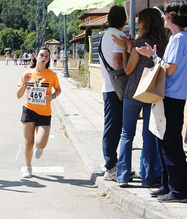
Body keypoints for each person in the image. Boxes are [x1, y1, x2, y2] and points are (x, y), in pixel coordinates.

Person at [136, 0, 187, 202]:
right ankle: (168, 186)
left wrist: (153, 56)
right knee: (164, 141)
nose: (163, 16)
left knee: (169, 144)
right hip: (176, 96)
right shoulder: (182, 38)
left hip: (171, 96)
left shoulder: (177, 39)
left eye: (165, 13)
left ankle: (178, 190)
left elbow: (170, 69)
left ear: (172, 16)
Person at [111, 8, 167, 187]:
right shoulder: (164, 43)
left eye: (139, 21)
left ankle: (122, 176)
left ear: (146, 23)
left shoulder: (140, 43)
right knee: (149, 135)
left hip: (134, 92)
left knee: (127, 134)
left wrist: (127, 50)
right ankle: (149, 178)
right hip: (153, 94)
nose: (138, 24)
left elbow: (127, 70)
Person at [17, 47, 61, 178]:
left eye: (46, 56)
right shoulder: (27, 73)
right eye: (41, 55)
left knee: (41, 143)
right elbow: (18, 95)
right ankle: (28, 167)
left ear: (48, 59)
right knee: (28, 142)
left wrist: (52, 96)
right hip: (29, 110)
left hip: (44, 112)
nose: (44, 58)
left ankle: (40, 148)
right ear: (36, 56)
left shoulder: (52, 75)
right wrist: (25, 83)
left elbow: (58, 90)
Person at [98, 5, 127, 182]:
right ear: (124, 19)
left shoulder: (105, 35)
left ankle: (116, 165)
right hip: (116, 88)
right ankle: (111, 166)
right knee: (114, 128)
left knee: (113, 127)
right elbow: (118, 64)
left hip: (108, 86)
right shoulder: (119, 36)